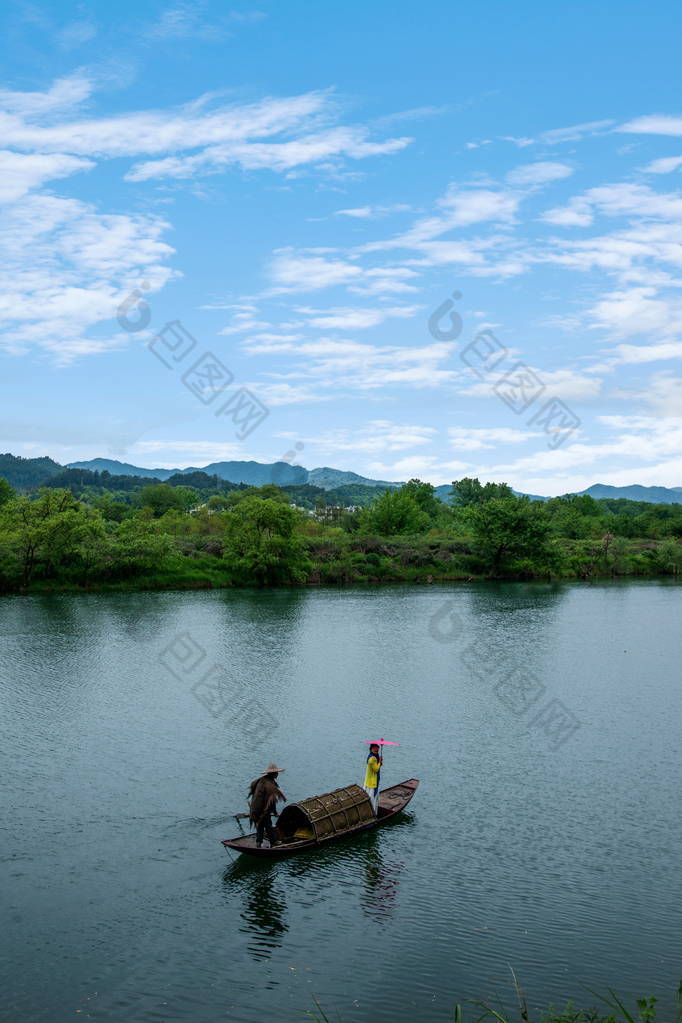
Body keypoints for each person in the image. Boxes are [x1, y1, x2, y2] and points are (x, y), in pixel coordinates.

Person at [249, 764, 286, 848]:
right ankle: (274, 842)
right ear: (274, 774)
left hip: (255, 808)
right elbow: (271, 801)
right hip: (263, 809)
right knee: (268, 825)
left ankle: (258, 842)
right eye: (276, 773)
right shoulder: (269, 784)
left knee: (260, 824)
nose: (277, 774)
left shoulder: (261, 781)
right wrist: (275, 812)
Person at [363, 743, 383, 814]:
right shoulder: (372, 758)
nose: (376, 751)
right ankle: (371, 812)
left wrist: (380, 761)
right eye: (375, 750)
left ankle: (371, 810)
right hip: (372, 781)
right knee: (372, 797)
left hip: (370, 779)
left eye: (377, 750)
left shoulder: (374, 756)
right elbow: (376, 769)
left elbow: (379, 765)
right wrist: (380, 762)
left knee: (371, 795)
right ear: (371, 749)